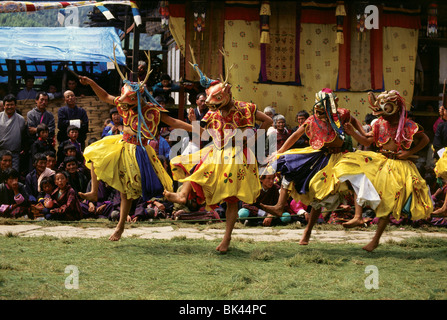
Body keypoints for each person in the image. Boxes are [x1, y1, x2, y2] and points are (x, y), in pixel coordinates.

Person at [77, 51, 197, 241]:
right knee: (92, 155)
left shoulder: (152, 110)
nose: (126, 105)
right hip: (121, 144)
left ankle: (120, 227)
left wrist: (196, 128)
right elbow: (106, 96)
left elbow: (174, 122)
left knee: (129, 193)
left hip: (139, 151)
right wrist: (91, 83)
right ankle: (94, 192)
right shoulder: (124, 104)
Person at [163, 48, 273, 253]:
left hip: (238, 155)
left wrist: (255, 137)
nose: (215, 108)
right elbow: (199, 130)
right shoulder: (213, 113)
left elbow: (267, 120)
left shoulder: (246, 108)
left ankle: (227, 238)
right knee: (193, 165)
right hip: (217, 151)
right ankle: (182, 196)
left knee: (232, 200)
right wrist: (173, 121)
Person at [315, 90, 433, 251]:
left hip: (400, 166)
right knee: (349, 166)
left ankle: (375, 239)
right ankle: (358, 216)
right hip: (381, 162)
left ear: (394, 108)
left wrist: (409, 152)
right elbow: (366, 140)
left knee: (388, 201)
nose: (381, 115)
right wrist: (353, 133)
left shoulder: (408, 125)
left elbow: (425, 139)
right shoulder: (378, 124)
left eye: (384, 111)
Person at [260, 88, 368, 244]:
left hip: (341, 155)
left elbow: (360, 130)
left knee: (355, 180)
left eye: (323, 111)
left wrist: (363, 135)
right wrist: (280, 151)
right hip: (319, 155)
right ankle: (279, 207)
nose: (321, 114)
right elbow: (296, 135)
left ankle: (357, 217)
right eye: (319, 111)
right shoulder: (311, 119)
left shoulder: (343, 114)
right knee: (289, 165)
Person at [0, 94, 27, 171]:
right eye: (7, 105)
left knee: (13, 174)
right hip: (1, 152)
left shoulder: (20, 119)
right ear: (4, 106)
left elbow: (23, 135)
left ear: (15, 105)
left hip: (14, 153)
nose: (9, 107)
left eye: (12, 105)